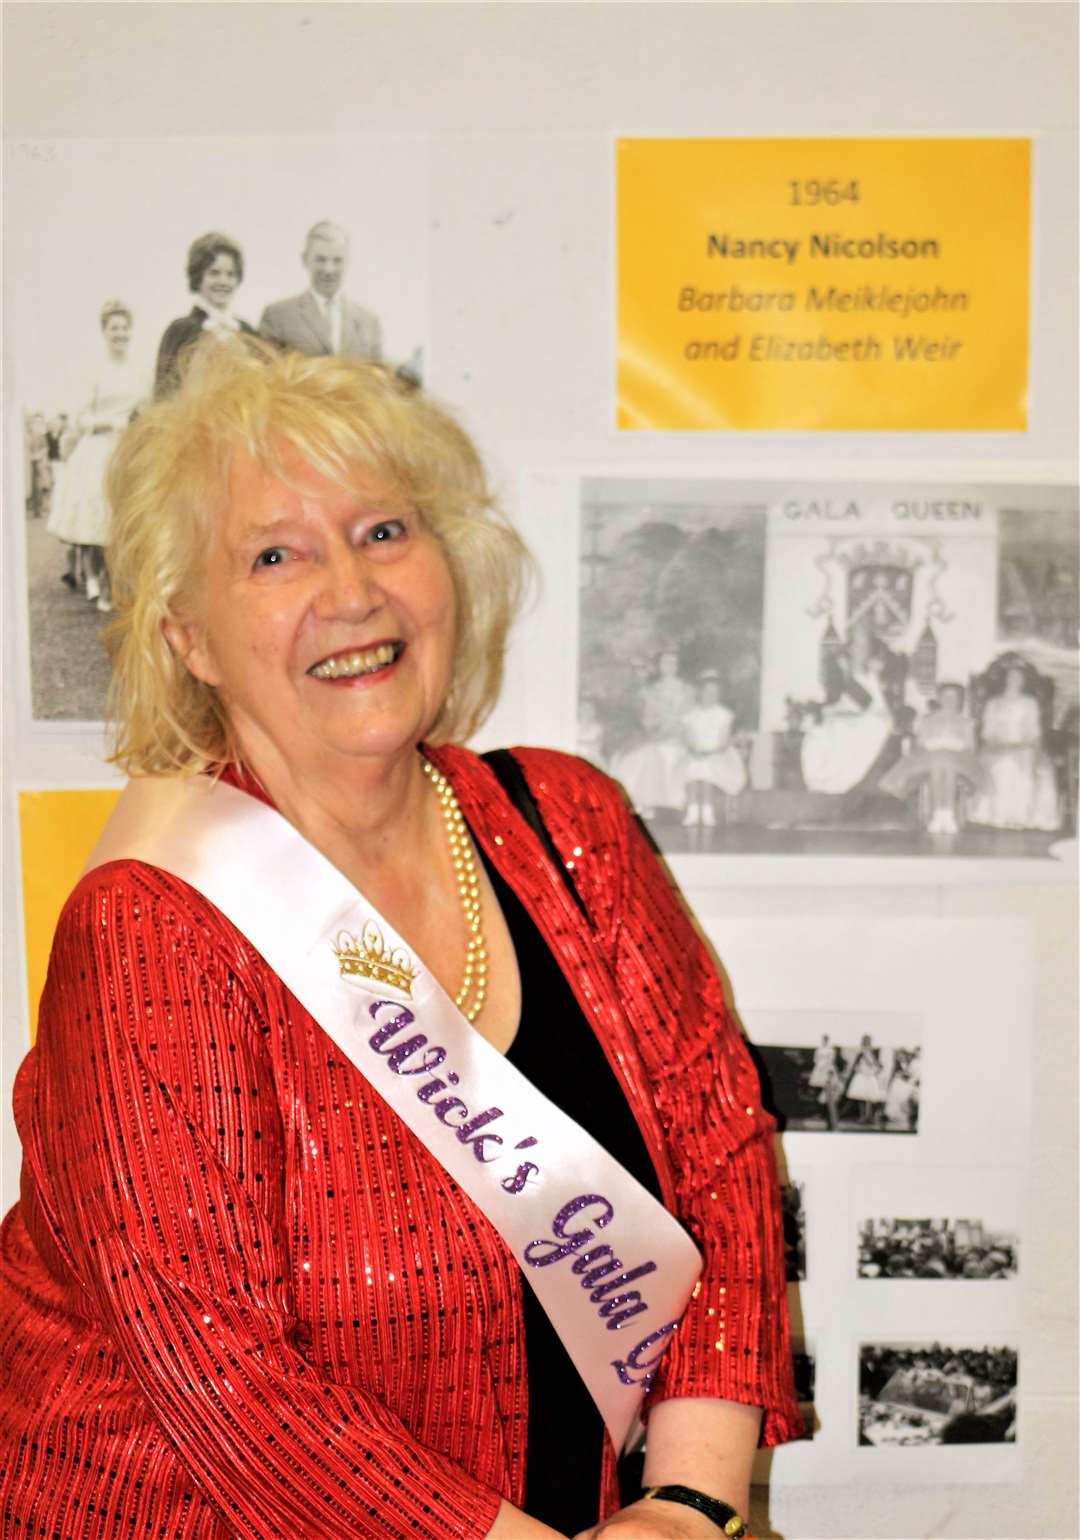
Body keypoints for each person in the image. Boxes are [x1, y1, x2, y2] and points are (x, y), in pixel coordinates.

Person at [0, 341, 801, 1540]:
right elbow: (220, 1371)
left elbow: (722, 1159)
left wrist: (688, 1501)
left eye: (383, 531)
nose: (353, 591)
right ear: (191, 638)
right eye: (276, 553)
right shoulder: (152, 926)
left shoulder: (567, 822)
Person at [46, 299, 146, 611]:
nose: (120, 333)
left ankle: (117, 585)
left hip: (130, 448)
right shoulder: (94, 370)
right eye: (114, 328)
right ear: (104, 332)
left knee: (126, 521)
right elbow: (81, 417)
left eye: (124, 327)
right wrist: (112, 422)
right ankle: (97, 583)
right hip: (99, 450)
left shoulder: (138, 370)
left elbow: (146, 405)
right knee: (99, 522)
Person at [259, 220, 383, 363]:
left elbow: (377, 379)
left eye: (337, 260)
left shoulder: (369, 322)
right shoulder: (277, 316)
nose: (328, 269)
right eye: (320, 259)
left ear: (348, 261)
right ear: (305, 259)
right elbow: (266, 376)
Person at [154, 231, 257, 396]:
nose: (223, 281)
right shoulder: (181, 330)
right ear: (198, 276)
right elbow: (164, 392)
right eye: (214, 273)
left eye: (230, 274)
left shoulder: (246, 330)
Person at [800, 626, 896, 796]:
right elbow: (833, 699)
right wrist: (825, 712)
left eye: (864, 645)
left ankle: (839, 783)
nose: (859, 649)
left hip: (869, 716)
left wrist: (875, 676)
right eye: (856, 644)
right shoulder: (838, 667)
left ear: (870, 648)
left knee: (864, 726)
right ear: (849, 646)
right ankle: (818, 782)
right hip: (840, 714)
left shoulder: (876, 671)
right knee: (817, 730)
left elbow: (874, 705)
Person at [880, 682, 984, 833]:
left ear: (959, 700)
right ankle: (942, 815)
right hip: (928, 759)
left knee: (946, 761)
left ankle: (943, 815)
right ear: (939, 699)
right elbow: (921, 745)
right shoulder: (927, 720)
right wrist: (934, 744)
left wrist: (955, 746)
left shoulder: (966, 722)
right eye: (946, 697)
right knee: (940, 761)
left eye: (953, 697)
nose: (949, 701)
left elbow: (971, 748)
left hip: (960, 761)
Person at [968, 664, 1059, 831]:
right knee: (1003, 761)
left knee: (1027, 758)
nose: (1014, 680)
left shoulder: (1030, 703)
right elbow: (988, 733)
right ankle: (999, 816)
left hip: (1025, 745)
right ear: (1005, 679)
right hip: (997, 746)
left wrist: (1029, 747)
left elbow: (1034, 733)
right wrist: (1001, 744)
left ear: (1023, 681)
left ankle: (1020, 816)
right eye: (1011, 676)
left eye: (1018, 677)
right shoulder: (993, 703)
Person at [611, 651, 694, 820]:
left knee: (657, 753)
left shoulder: (687, 690)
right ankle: (640, 802)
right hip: (657, 736)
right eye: (665, 663)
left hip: (678, 738)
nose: (669, 667)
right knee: (635, 755)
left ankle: (663, 802)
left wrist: (672, 730)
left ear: (678, 666)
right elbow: (648, 719)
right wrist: (656, 730)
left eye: (673, 663)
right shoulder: (652, 691)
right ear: (660, 666)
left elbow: (689, 719)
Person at [680, 673, 747, 828]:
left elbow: (724, 743)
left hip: (719, 754)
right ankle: (693, 811)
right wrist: (694, 750)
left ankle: (707, 811)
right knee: (694, 765)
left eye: (715, 693)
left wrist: (709, 753)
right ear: (701, 692)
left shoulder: (724, 715)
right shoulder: (691, 715)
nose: (711, 695)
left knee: (706, 766)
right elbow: (688, 739)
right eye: (708, 691)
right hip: (695, 753)